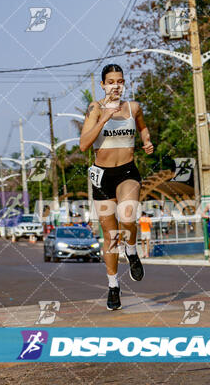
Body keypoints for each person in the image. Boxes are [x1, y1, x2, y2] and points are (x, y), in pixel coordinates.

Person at [79, 63, 154, 311]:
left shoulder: (133, 107)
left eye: (120, 81)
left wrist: (146, 140)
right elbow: (83, 145)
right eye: (110, 81)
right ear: (103, 85)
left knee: (128, 214)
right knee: (110, 236)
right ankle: (113, 286)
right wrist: (103, 119)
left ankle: (131, 250)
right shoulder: (95, 108)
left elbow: (142, 127)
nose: (116, 86)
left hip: (127, 170)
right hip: (102, 175)